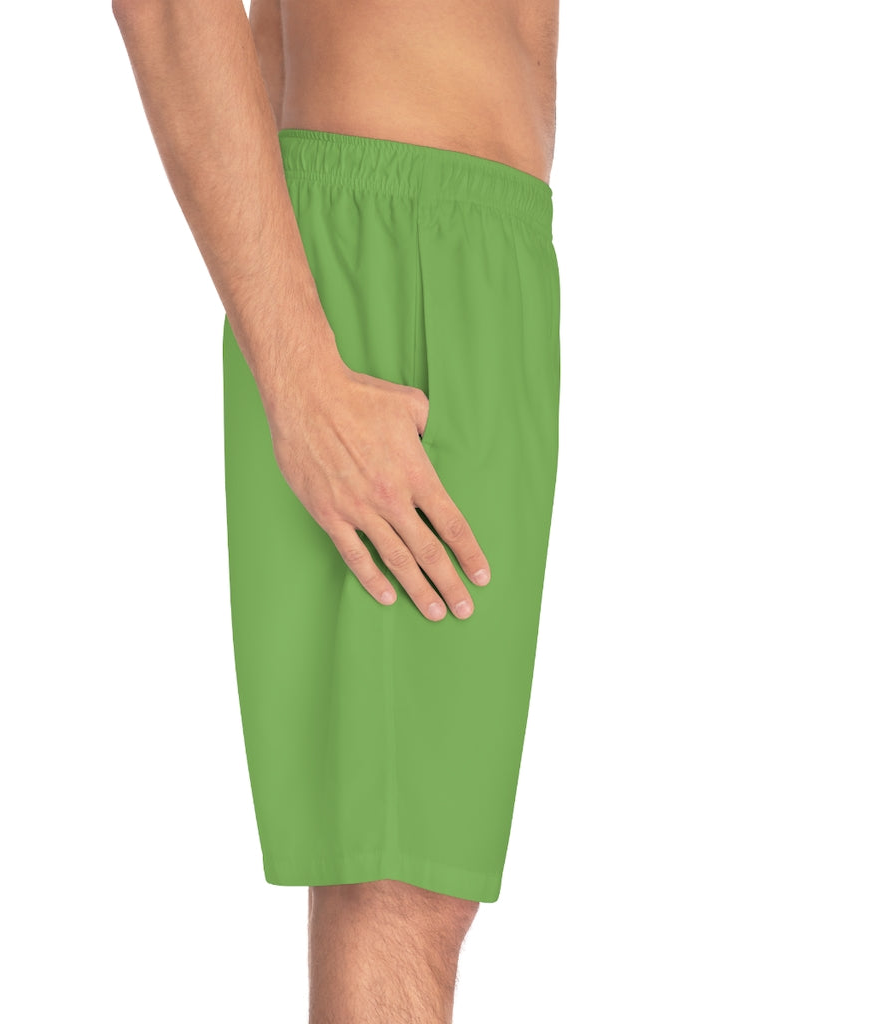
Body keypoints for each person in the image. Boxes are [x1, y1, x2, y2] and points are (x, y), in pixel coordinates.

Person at [112, 0, 561, 1019]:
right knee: (394, 883)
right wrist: (300, 377)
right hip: (390, 250)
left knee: (425, 884)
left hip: (491, 251)